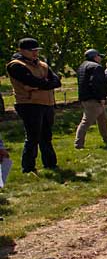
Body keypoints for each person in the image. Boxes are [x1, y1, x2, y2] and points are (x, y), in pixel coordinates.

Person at [7, 38, 60, 173]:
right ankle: (28, 167)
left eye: (36, 50)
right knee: (33, 137)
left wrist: (41, 84)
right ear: (22, 50)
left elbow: (56, 81)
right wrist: (43, 84)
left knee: (46, 136)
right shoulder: (16, 65)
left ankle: (50, 163)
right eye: (32, 51)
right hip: (29, 104)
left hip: (47, 103)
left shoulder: (42, 65)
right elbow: (31, 81)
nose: (35, 53)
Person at [74, 48, 107, 148]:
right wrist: (101, 97)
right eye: (99, 56)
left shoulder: (82, 66)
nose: (100, 58)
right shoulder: (96, 67)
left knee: (102, 119)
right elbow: (96, 84)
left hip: (85, 97)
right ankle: (78, 143)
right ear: (95, 57)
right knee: (86, 121)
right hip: (94, 98)